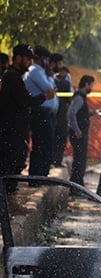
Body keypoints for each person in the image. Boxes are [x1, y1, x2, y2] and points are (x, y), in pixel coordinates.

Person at [0, 44, 54, 192]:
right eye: (27, 59)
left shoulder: (16, 76)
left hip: (16, 131)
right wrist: (44, 97)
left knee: (16, 165)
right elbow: (25, 101)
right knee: (10, 168)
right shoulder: (11, 76)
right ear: (18, 58)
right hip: (11, 132)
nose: (30, 63)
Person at [24, 45, 58, 179]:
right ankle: (36, 176)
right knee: (40, 145)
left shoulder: (43, 72)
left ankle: (43, 174)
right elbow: (49, 89)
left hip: (47, 113)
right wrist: (50, 78)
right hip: (39, 112)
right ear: (41, 58)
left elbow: (52, 91)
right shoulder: (35, 71)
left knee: (47, 144)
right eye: (46, 59)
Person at [66, 75, 95, 186]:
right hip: (78, 134)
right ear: (87, 84)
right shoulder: (79, 97)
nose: (91, 88)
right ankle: (76, 185)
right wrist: (77, 129)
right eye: (91, 85)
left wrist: (90, 113)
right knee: (79, 161)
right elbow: (71, 114)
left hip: (81, 133)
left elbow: (78, 114)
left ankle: (78, 184)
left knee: (81, 160)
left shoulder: (81, 97)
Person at [52, 65, 73, 167]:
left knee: (54, 138)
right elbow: (69, 99)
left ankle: (53, 160)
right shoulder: (65, 83)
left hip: (53, 113)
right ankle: (57, 160)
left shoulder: (52, 80)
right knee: (61, 138)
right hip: (62, 114)